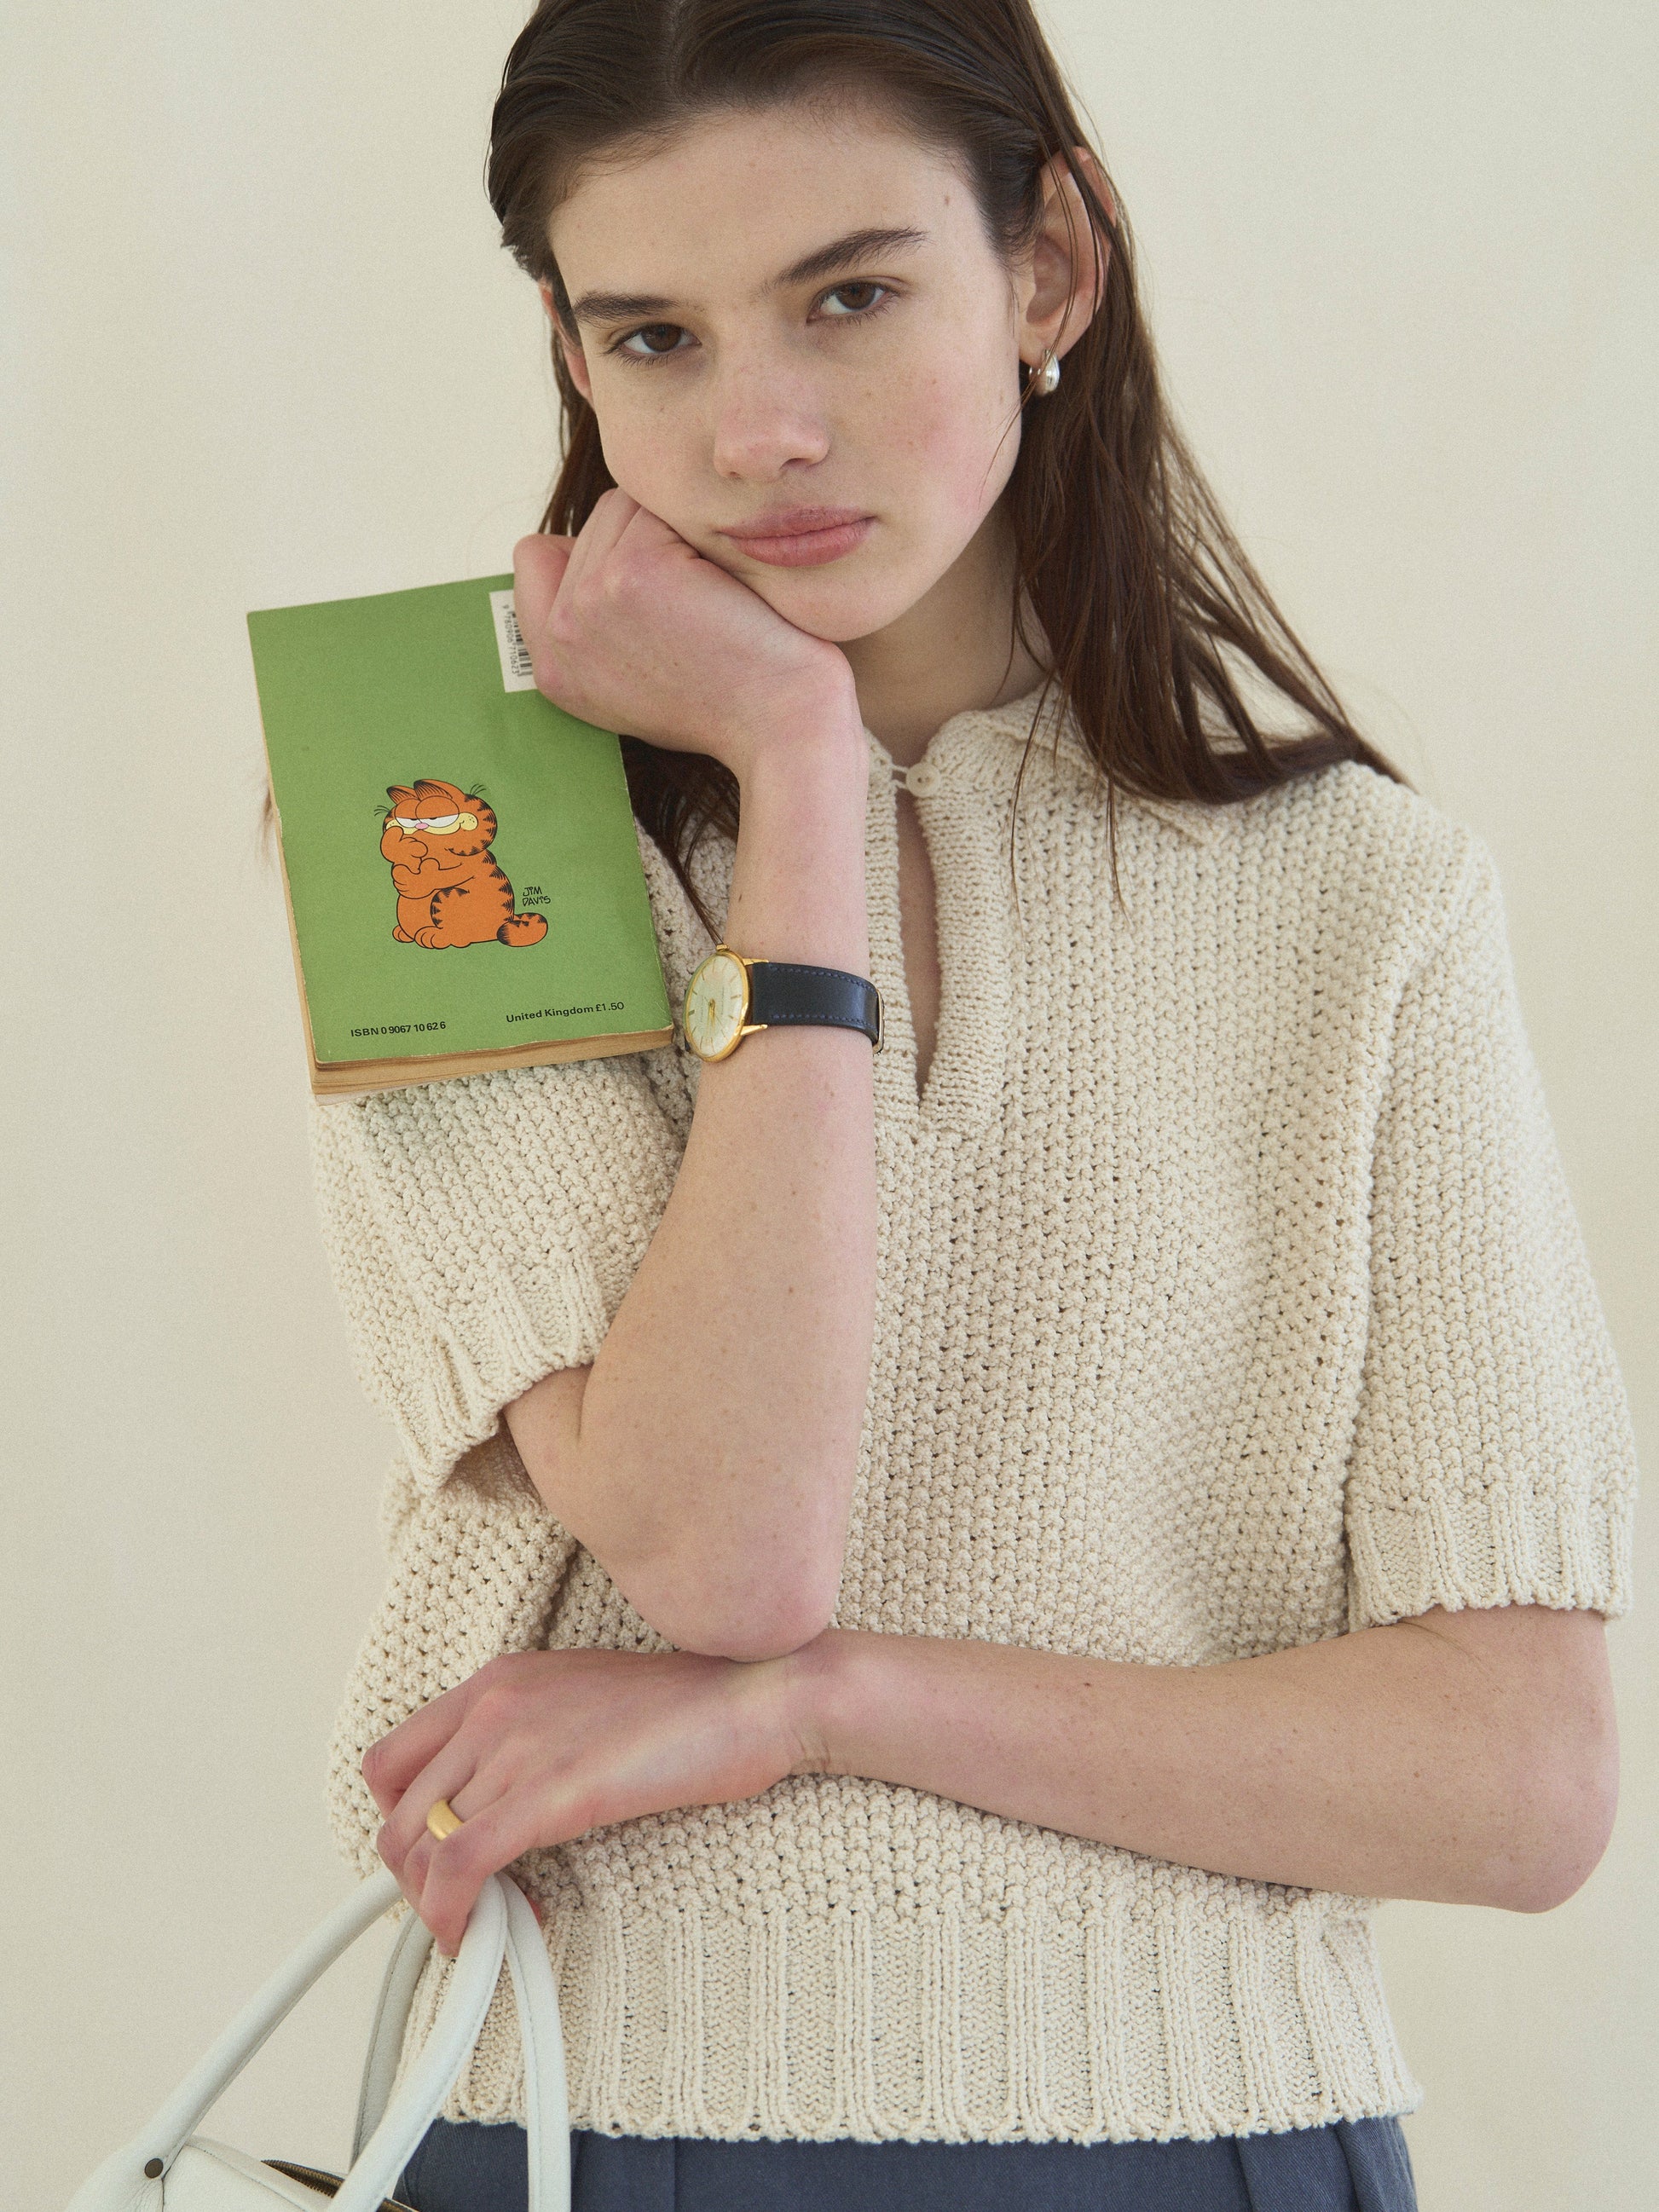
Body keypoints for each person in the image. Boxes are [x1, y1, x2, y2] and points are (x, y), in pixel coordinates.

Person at [302, 3, 1637, 2207]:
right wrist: (799, 773)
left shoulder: (1365, 902)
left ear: (1049, 268)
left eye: (847, 295)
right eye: (652, 337)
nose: (756, 432)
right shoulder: (434, 821)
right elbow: (725, 1541)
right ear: (570, 358)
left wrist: (830, 1706)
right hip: (589, 2131)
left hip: (1211, 2136)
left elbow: (1517, 1776)